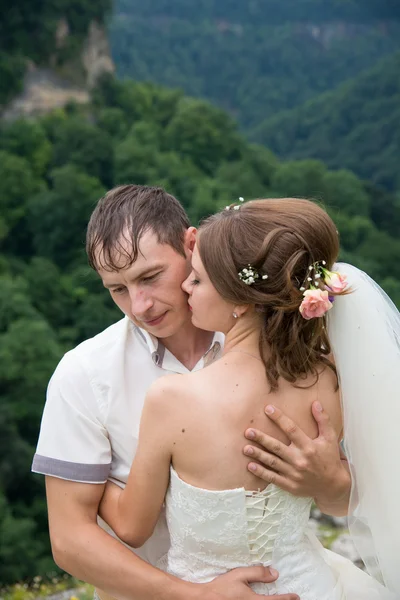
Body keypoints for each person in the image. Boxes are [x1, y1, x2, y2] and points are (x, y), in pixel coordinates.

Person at [32, 186, 351, 600]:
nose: (140, 305)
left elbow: (350, 503)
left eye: (150, 276)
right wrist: (191, 594)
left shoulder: (297, 358)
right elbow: (69, 541)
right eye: (118, 289)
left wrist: (329, 483)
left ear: (191, 243)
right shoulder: (83, 374)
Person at [97, 197, 399, 599]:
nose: (186, 285)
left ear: (240, 299)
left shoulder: (172, 398)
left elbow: (132, 527)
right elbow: (353, 496)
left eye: (198, 279)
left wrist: (91, 479)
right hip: (312, 587)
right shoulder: (329, 381)